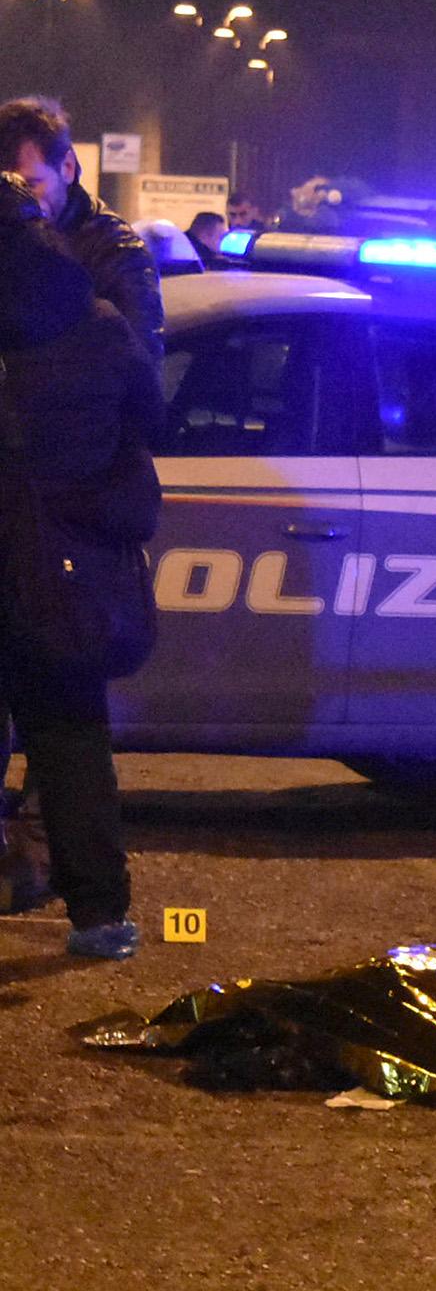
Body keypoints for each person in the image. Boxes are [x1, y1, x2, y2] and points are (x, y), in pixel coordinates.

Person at [0, 171, 163, 959]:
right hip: (59, 564)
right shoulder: (95, 323)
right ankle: (100, 916)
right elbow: (146, 416)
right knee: (71, 734)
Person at [0, 97, 163, 369]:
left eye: (30, 184)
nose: (18, 201)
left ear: (67, 167)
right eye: (6, 188)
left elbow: (140, 375)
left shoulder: (117, 252)